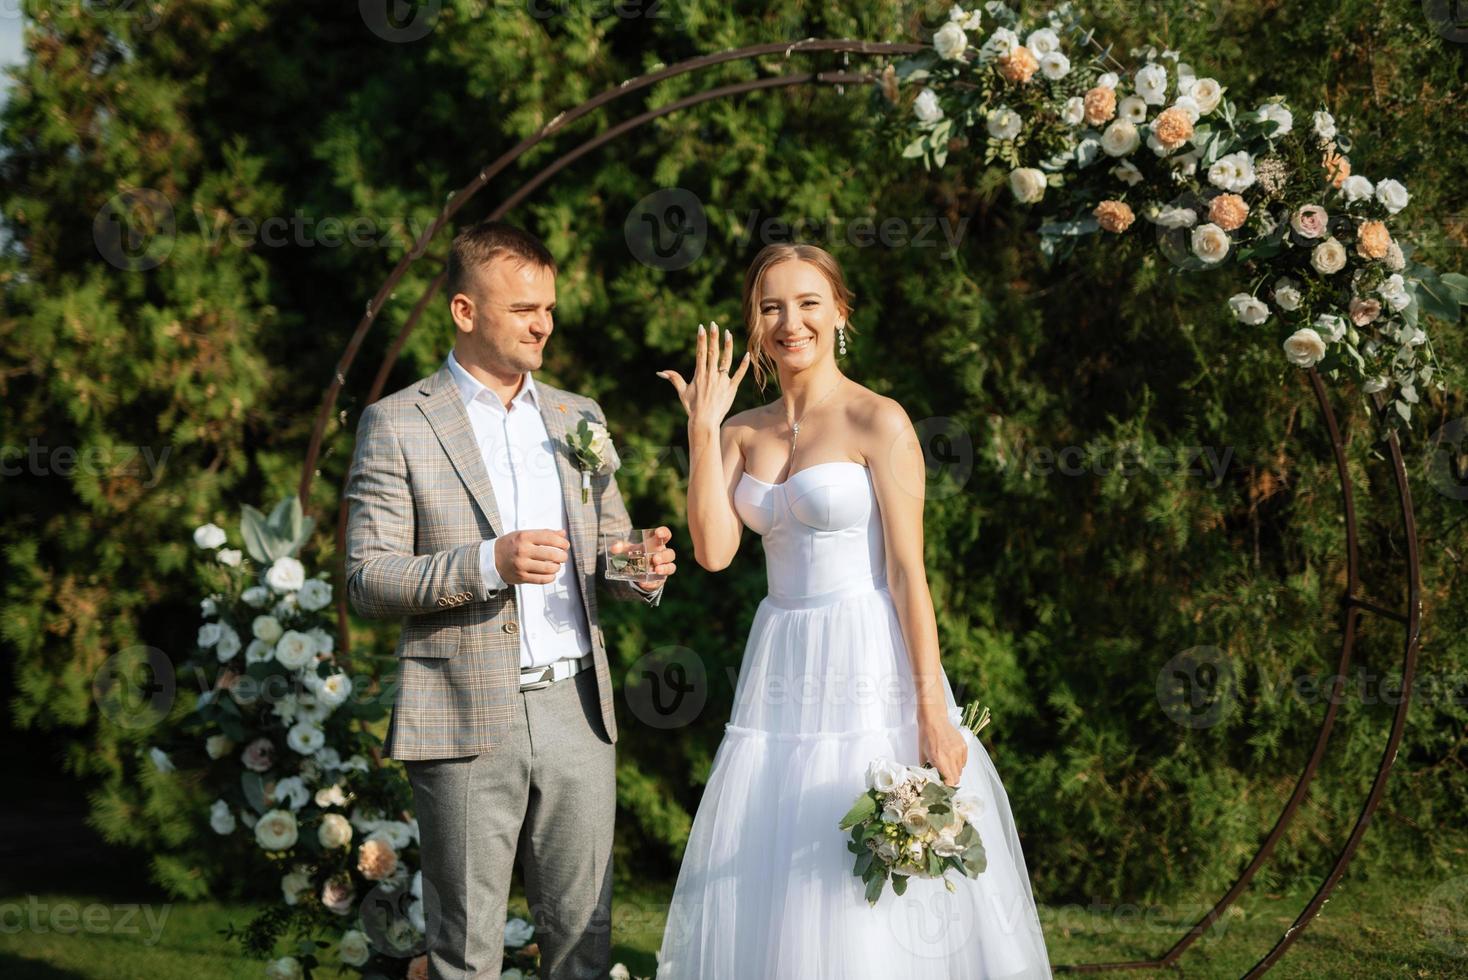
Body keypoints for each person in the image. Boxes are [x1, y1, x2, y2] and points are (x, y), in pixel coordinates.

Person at [652, 242, 1052, 977]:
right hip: (781, 653)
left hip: (866, 653)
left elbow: (907, 573)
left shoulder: (880, 419)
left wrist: (932, 710)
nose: (789, 321)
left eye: (808, 302)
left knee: (863, 836)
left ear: (839, 311)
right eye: (771, 306)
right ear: (753, 321)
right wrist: (703, 433)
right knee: (784, 836)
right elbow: (712, 551)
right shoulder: (740, 431)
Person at [344, 219, 677, 979]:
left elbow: (609, 547)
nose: (543, 325)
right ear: (465, 311)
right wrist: (489, 561)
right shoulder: (398, 423)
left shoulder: (577, 416)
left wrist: (639, 567)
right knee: (466, 952)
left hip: (576, 712)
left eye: (549, 309)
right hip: (463, 715)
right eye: (524, 309)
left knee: (584, 943)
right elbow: (367, 580)